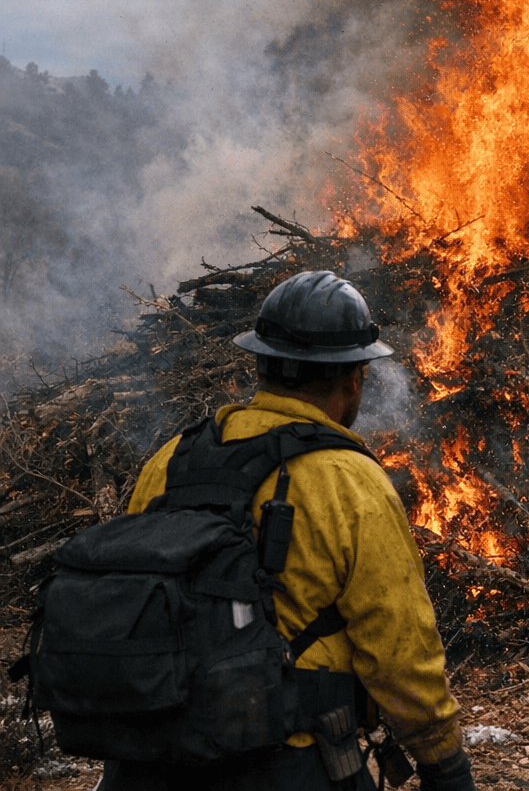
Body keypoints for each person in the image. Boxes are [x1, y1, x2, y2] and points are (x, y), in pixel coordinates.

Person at [104, 271, 474, 791]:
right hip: (283, 761)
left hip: (151, 757)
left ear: (261, 364)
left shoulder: (171, 459)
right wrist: (442, 759)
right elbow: (398, 645)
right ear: (353, 377)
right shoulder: (350, 480)